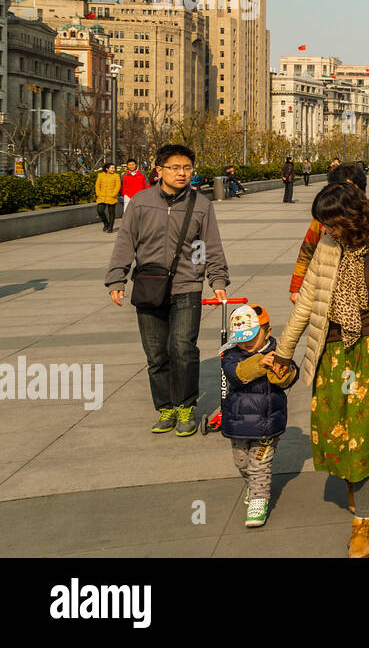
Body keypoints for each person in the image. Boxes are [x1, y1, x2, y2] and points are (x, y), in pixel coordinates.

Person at [269, 182, 369, 558]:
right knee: (336, 430)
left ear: (353, 216)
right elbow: (307, 301)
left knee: (365, 437)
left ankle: (362, 523)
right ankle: (354, 482)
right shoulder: (327, 247)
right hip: (333, 351)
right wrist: (284, 351)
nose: (327, 231)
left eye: (332, 224)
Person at [105, 144, 230, 436]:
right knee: (157, 354)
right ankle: (165, 408)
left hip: (187, 286)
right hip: (149, 287)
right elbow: (126, 243)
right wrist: (116, 278)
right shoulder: (140, 202)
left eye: (187, 168)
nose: (182, 173)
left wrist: (217, 280)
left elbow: (209, 246)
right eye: (175, 167)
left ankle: (186, 406)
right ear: (159, 170)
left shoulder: (201, 205)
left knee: (183, 349)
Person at [220, 302, 298, 528]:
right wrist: (258, 362)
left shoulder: (278, 351)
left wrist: (281, 370)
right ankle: (252, 486)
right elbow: (235, 375)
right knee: (242, 462)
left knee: (260, 464)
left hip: (266, 423)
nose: (246, 342)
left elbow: (289, 377)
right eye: (241, 337)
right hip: (238, 422)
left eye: (251, 337)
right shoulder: (231, 355)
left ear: (267, 332)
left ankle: (259, 499)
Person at [290, 162, 369, 304]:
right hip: (327, 290)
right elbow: (306, 252)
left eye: (350, 189)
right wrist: (296, 288)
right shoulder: (320, 222)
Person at [95, 163, 121, 233]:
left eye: (114, 168)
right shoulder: (100, 175)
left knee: (111, 213)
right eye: (112, 168)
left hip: (111, 196)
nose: (113, 169)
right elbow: (97, 185)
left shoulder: (116, 176)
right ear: (107, 169)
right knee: (100, 210)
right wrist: (98, 193)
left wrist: (114, 194)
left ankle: (110, 227)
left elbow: (118, 185)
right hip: (102, 196)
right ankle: (106, 223)